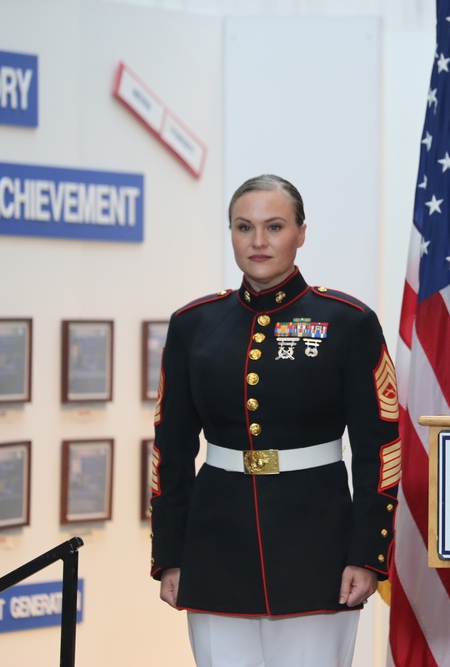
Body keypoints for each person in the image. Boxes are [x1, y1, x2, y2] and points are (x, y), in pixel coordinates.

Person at [150, 174, 401, 667]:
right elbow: (170, 450)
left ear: (301, 232)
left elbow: (379, 448)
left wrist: (367, 555)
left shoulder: (347, 321)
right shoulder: (193, 325)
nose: (259, 242)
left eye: (275, 226)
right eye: (244, 227)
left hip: (318, 546)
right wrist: (170, 554)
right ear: (231, 233)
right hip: (216, 544)